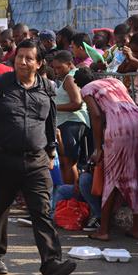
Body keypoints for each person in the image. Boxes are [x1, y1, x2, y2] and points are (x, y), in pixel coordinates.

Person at [0, 39, 76, 275]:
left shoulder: (47, 87)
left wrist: (52, 150)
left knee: (42, 211)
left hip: (37, 161)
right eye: (19, 57)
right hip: (3, 159)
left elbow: (51, 120)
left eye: (28, 58)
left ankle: (51, 263)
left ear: (39, 63)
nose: (22, 62)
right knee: (0, 208)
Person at [74, 67, 138, 241]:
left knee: (112, 178)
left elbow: (95, 115)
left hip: (119, 128)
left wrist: (98, 148)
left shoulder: (87, 89)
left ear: (78, 83)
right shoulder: (114, 81)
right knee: (135, 176)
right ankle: (137, 228)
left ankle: (103, 230)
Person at [50, 50, 90, 184]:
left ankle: (70, 197)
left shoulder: (69, 78)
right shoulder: (71, 76)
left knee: (67, 162)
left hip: (71, 123)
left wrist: (53, 107)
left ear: (69, 64)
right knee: (68, 162)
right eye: (54, 68)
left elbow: (77, 103)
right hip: (71, 123)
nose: (56, 71)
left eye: (59, 67)